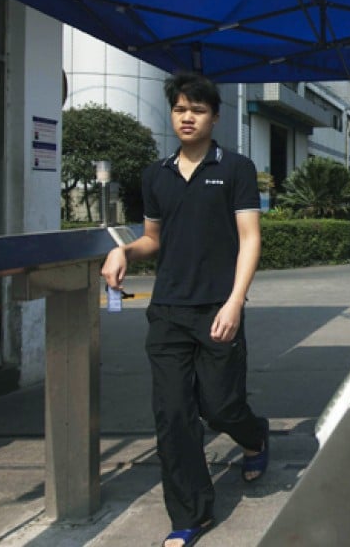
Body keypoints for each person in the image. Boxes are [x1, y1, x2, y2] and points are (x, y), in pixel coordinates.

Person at [101, 72, 268, 547]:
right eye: (179, 109)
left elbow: (250, 239)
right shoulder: (156, 174)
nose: (187, 117)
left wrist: (236, 302)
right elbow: (153, 239)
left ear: (214, 116)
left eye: (197, 109)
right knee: (173, 414)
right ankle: (191, 514)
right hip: (169, 310)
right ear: (171, 115)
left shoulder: (234, 168)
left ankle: (254, 438)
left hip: (219, 307)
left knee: (220, 407)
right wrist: (123, 252)